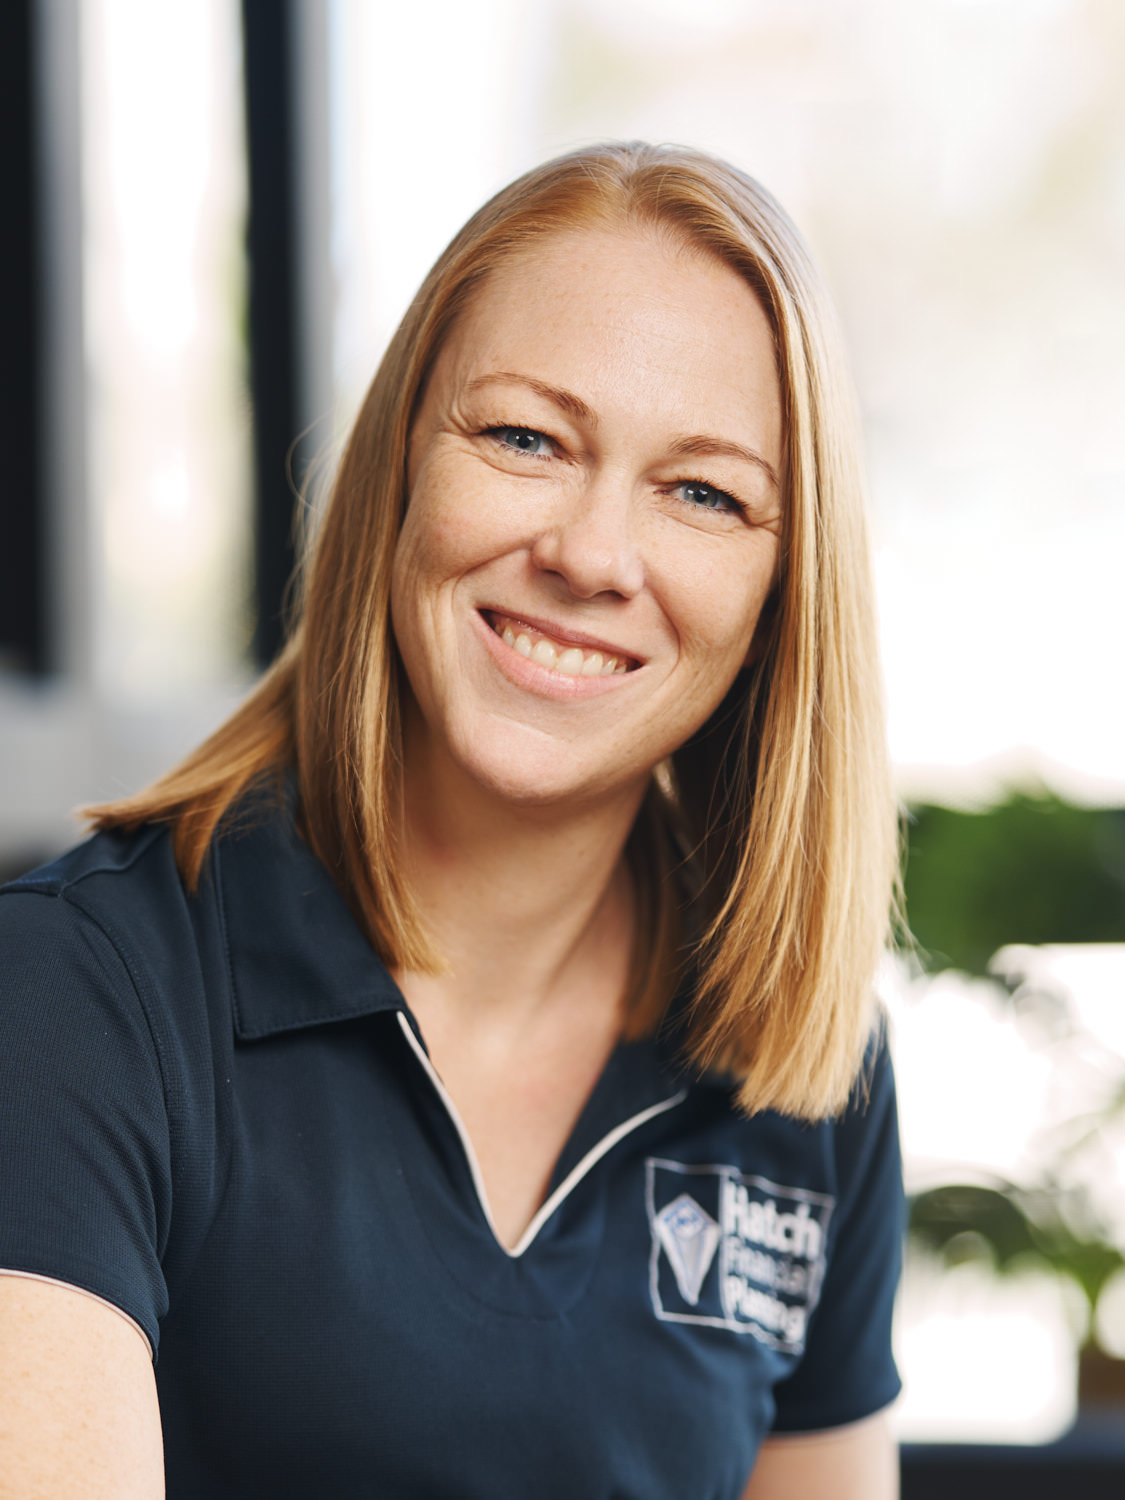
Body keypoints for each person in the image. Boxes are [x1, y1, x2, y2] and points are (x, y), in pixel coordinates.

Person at [0, 141, 903, 1498]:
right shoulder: (73, 996)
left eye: (704, 493)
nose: (591, 556)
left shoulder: (799, 1056)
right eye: (525, 438)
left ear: (785, 590)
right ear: (400, 465)